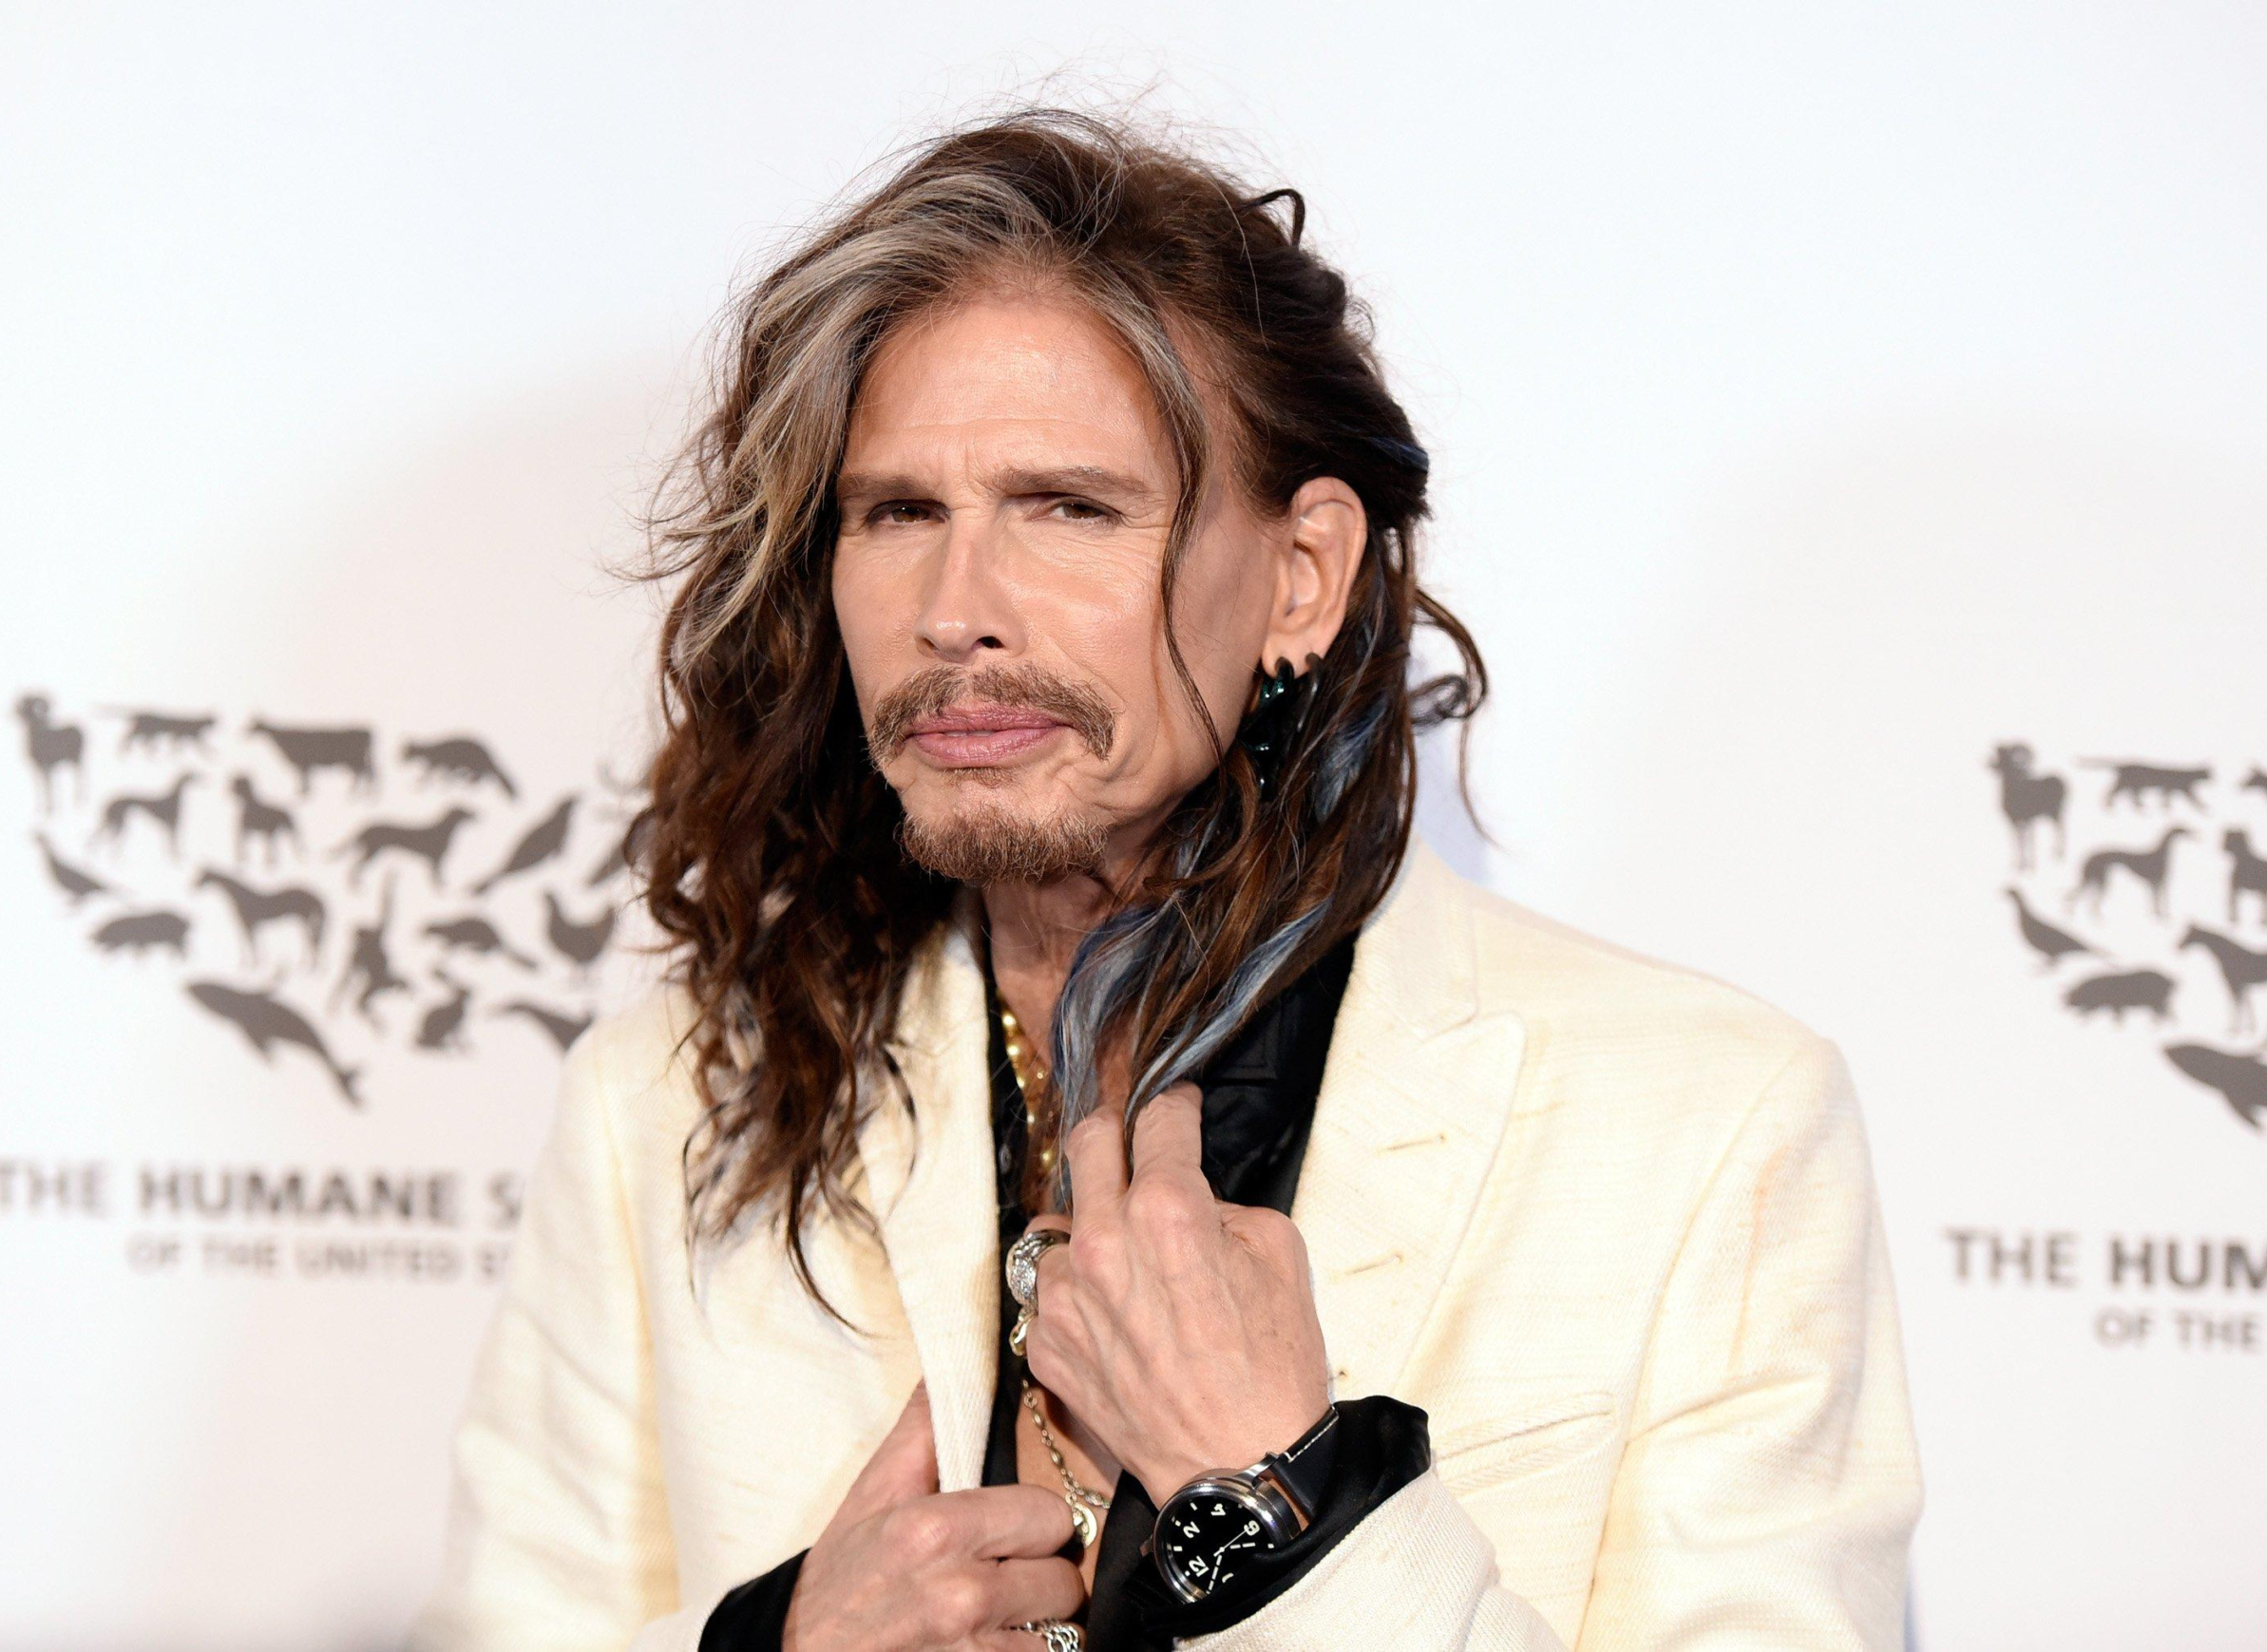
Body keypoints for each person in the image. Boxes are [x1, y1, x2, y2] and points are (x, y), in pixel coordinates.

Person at [408, 106, 1923, 1652]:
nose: (954, 609)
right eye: (899, 512)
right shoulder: (667, 1101)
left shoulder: (1706, 1120)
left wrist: (1285, 1501)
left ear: (1300, 576)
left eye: (1070, 507)